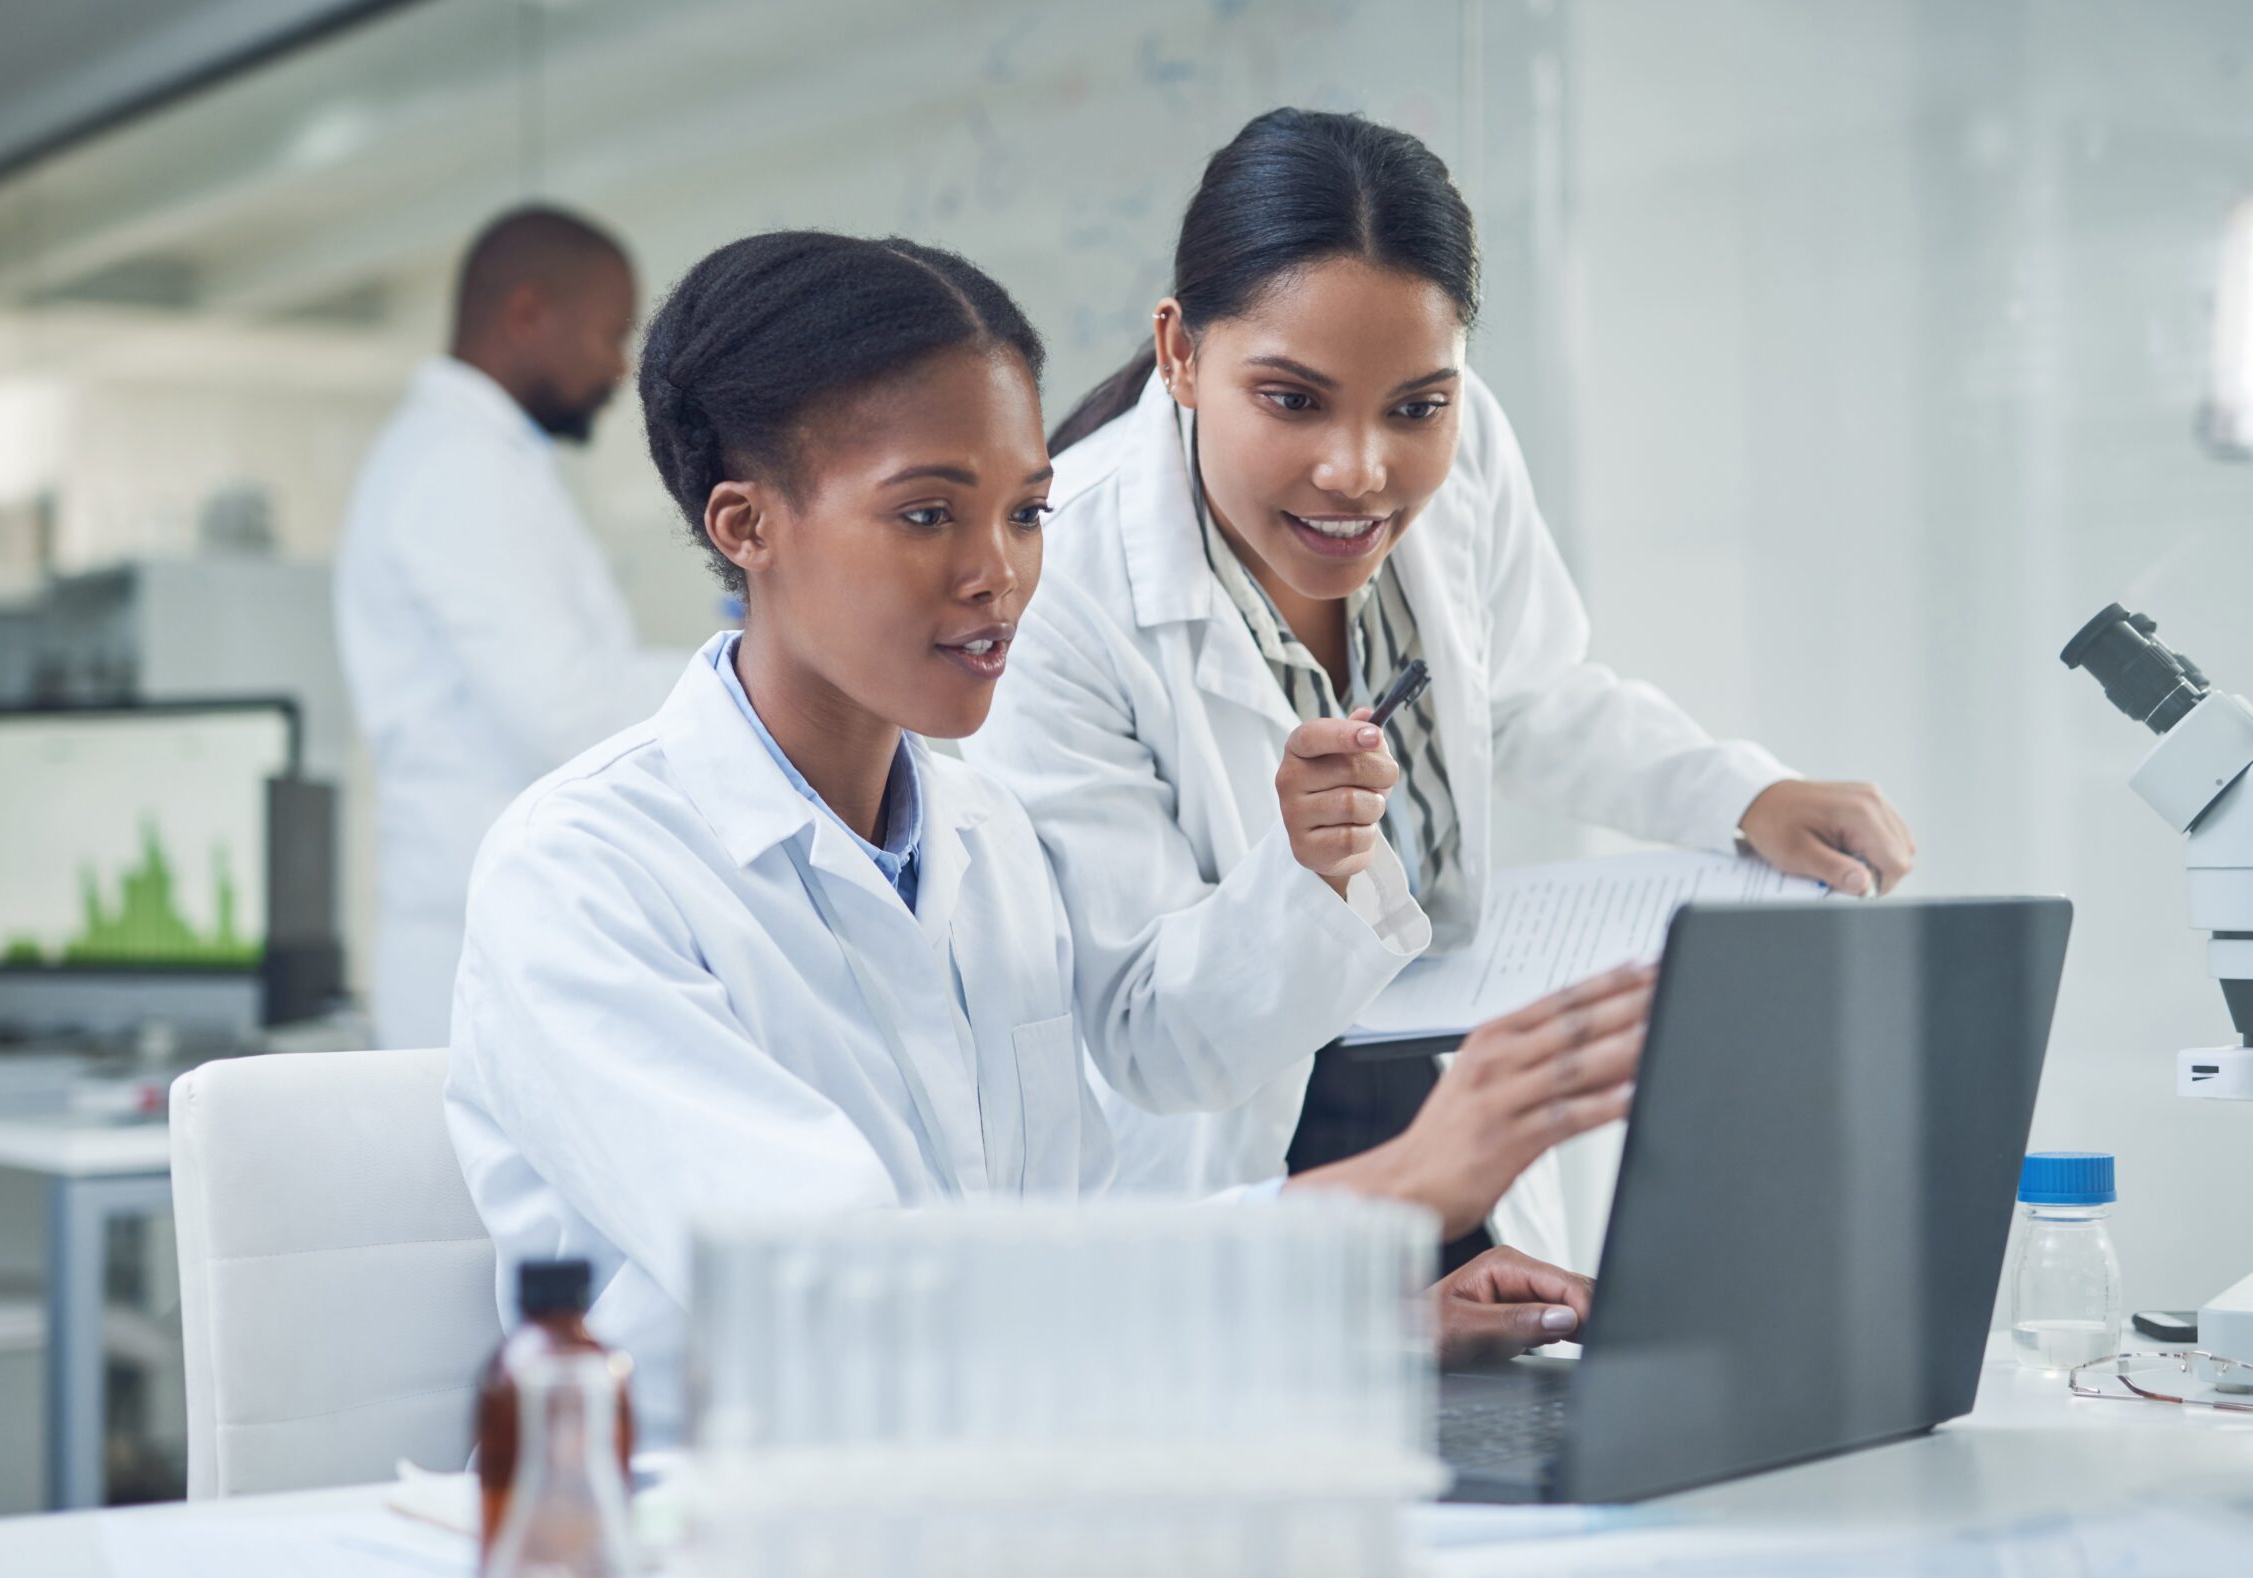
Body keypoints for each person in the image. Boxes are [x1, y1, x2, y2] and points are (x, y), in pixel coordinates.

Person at [446, 229, 1648, 1443]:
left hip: (991, 1500)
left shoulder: (985, 844)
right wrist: (1388, 1189)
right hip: (705, 1543)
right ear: (746, 525)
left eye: (1027, 513)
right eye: (927, 515)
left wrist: (1355, 1323)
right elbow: (848, 1298)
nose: (998, 574)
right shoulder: (584, 875)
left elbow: (1067, 1263)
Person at [963, 109, 1917, 1254]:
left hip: (1444, 1095)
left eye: (1416, 405)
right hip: (1235, 1166)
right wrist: (1307, 874)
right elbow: (1151, 1037)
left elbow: (1521, 693)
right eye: (1292, 399)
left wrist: (1735, 795)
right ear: (1180, 352)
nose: (1360, 470)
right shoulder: (1059, 582)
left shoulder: (1467, 448)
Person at [337, 205, 685, 1050]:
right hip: (476, 949)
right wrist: (765, 670)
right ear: (527, 315)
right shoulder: (457, 468)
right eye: (609, 334)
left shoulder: (480, 462)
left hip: (497, 932)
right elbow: (564, 713)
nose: (619, 365)